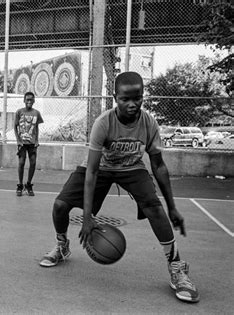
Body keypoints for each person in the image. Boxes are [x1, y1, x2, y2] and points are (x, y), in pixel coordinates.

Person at [39, 72, 199, 303]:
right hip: (101, 168)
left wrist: (172, 206)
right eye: (125, 99)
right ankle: (62, 245)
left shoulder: (148, 123)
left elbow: (159, 166)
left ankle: (176, 267)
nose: (132, 104)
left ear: (143, 97)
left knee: (155, 208)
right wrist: (86, 217)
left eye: (138, 98)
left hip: (132, 167)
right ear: (115, 97)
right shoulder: (103, 123)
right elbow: (92, 171)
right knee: (60, 205)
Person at [14, 91, 44, 196]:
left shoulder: (36, 113)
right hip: (22, 143)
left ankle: (28, 184)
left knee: (33, 163)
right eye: (27, 99)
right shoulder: (19, 112)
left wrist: (37, 140)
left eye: (31, 99)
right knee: (21, 163)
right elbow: (15, 126)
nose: (29, 101)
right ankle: (20, 185)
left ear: (34, 100)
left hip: (32, 143)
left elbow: (36, 128)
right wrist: (18, 140)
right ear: (24, 100)